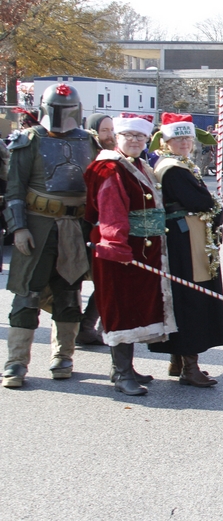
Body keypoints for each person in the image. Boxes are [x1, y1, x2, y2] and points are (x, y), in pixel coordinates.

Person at [2, 84, 98, 389]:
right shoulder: (28, 140)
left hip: (75, 228)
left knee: (69, 294)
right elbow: (14, 190)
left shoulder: (89, 142)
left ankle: (63, 356)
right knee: (27, 296)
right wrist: (18, 227)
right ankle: (16, 362)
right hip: (38, 225)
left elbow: (96, 191)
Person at [85, 114, 176, 396]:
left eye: (140, 136)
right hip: (120, 252)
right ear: (116, 138)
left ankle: (124, 367)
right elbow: (110, 210)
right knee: (120, 309)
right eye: (129, 136)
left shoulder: (138, 165)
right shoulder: (109, 168)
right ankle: (122, 373)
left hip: (142, 248)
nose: (135, 140)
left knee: (135, 307)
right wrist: (117, 247)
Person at [146, 113, 223, 387]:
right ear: (166, 140)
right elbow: (200, 200)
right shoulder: (173, 169)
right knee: (190, 297)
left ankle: (178, 360)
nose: (184, 142)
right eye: (178, 138)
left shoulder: (180, 165)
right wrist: (213, 206)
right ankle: (189, 367)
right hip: (184, 240)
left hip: (189, 236)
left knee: (184, 296)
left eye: (187, 137)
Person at [75, 112, 117, 346]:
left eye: (112, 130)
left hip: (103, 226)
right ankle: (75, 330)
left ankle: (92, 326)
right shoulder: (86, 155)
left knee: (105, 280)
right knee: (72, 281)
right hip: (81, 225)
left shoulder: (114, 156)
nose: (109, 135)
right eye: (104, 131)